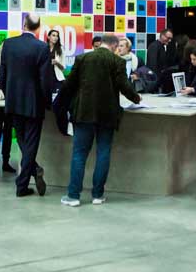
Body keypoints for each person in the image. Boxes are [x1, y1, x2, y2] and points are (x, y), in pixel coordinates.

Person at [59, 34, 142, 207]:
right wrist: (136, 98)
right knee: (103, 152)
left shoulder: (83, 58)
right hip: (107, 114)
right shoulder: (117, 62)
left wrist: (58, 103)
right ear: (114, 46)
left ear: (102, 43)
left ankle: (73, 196)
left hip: (84, 113)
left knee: (79, 154)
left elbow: (69, 84)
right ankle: (97, 195)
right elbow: (124, 86)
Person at [0, 14, 53, 198]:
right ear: (38, 27)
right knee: (30, 143)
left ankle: (31, 174)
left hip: (13, 101)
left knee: (23, 141)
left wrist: (9, 95)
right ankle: (23, 182)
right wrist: (47, 103)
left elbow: (2, 75)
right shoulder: (42, 47)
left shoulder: (8, 44)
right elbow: (45, 80)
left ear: (24, 24)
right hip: (33, 103)